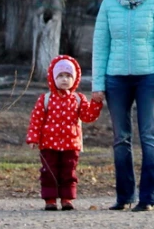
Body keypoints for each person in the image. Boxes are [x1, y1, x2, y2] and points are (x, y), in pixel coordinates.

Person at [91, 0, 154, 212]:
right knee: (120, 138)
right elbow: (100, 46)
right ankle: (125, 196)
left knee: (149, 135)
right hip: (116, 78)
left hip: (149, 76)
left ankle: (150, 197)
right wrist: (98, 84)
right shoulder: (108, 5)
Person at [26, 54, 103, 211]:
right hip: (48, 144)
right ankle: (50, 199)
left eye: (68, 76)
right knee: (49, 172)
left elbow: (88, 116)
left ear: (75, 79)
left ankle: (67, 199)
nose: (64, 79)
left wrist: (96, 102)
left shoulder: (78, 99)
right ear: (53, 78)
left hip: (71, 144)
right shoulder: (45, 99)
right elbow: (36, 119)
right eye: (60, 76)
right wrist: (33, 138)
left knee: (69, 172)